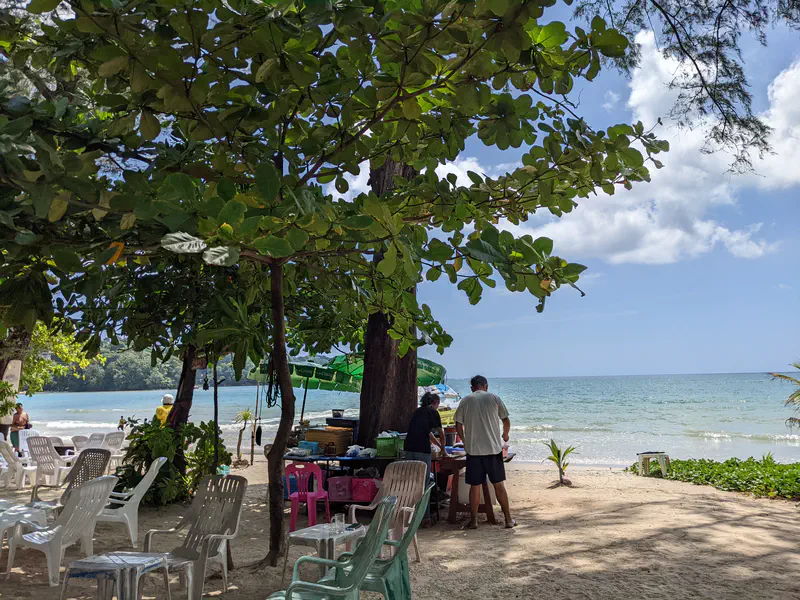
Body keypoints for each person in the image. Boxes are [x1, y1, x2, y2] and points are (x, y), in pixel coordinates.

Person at [454, 375, 515, 529]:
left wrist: (464, 440)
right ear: (486, 386)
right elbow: (506, 420)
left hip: (474, 451)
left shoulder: (466, 400)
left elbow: (458, 425)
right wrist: (505, 435)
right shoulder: (494, 398)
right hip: (493, 450)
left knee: (475, 486)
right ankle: (508, 519)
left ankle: (474, 521)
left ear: (472, 387)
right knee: (498, 485)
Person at [404, 392, 446, 522]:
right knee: (424, 483)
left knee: (411, 482)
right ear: (436, 403)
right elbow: (441, 433)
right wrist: (443, 449)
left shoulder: (417, 412)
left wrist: (439, 446)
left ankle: (409, 515)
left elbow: (428, 434)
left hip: (409, 448)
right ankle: (424, 517)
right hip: (422, 449)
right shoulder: (433, 412)